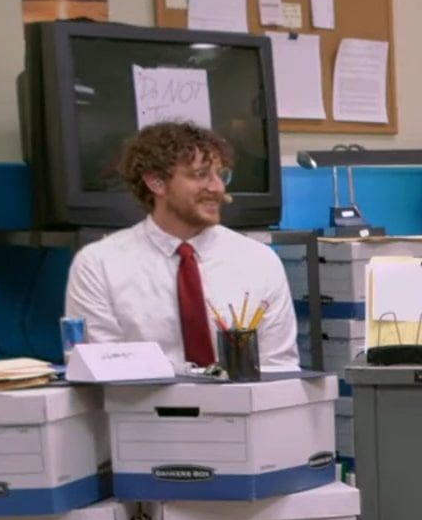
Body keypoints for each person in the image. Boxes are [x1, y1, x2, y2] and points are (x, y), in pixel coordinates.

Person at [64, 122, 299, 373]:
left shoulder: (259, 261)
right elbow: (102, 371)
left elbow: (280, 368)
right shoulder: (98, 265)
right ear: (156, 182)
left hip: (244, 398)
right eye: (200, 175)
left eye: (221, 175)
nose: (217, 188)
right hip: (141, 399)